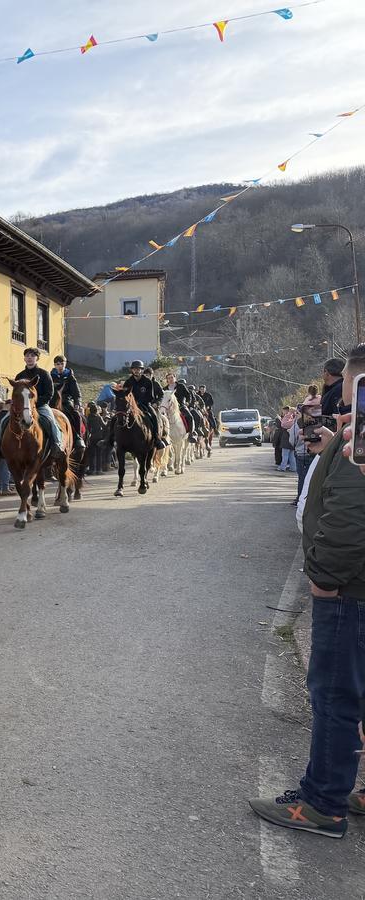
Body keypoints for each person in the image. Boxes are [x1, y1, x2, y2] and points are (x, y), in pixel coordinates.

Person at [250, 344, 365, 837]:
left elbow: (346, 519)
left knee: (335, 696)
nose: (341, 401)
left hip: (346, 591)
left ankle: (324, 803)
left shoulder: (358, 440)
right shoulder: (346, 434)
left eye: (350, 389)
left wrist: (321, 579)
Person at [8, 347, 64, 455]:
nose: (29, 358)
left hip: (41, 406)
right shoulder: (19, 376)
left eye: (32, 356)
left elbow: (49, 393)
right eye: (27, 356)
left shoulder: (44, 374)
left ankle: (57, 444)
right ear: (24, 358)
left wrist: (34, 404)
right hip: (21, 408)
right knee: (4, 420)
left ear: (37, 358)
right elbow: (16, 394)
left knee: (51, 422)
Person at [113, 361, 166, 450]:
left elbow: (151, 396)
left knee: (154, 416)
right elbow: (125, 395)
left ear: (142, 370)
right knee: (116, 416)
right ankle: (110, 439)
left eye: (138, 369)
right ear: (132, 370)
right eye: (134, 369)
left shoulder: (148, 381)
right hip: (130, 406)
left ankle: (157, 439)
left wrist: (140, 403)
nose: (136, 371)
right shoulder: (128, 382)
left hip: (145, 405)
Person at [49, 355, 86, 453]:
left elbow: (76, 393)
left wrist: (77, 403)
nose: (60, 366)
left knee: (76, 415)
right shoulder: (50, 377)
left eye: (62, 363)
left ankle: (78, 437)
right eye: (57, 364)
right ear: (54, 365)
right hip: (52, 403)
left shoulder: (70, 377)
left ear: (65, 364)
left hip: (66, 402)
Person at [277, 406, 297, 472]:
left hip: (286, 439)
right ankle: (293, 468)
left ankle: (283, 467)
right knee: (291, 455)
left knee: (285, 454)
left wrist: (284, 417)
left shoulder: (288, 417)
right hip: (293, 440)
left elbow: (283, 424)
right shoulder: (295, 418)